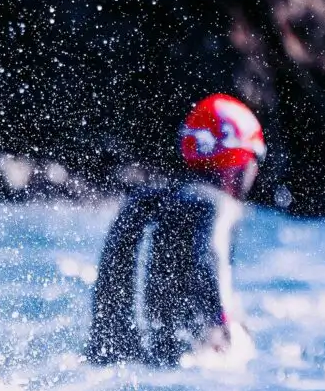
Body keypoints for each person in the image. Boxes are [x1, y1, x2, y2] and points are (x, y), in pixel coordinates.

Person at [89, 93, 264, 367]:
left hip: (112, 361)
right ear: (237, 165)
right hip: (180, 366)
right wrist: (223, 326)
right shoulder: (219, 206)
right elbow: (209, 256)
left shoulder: (141, 200)